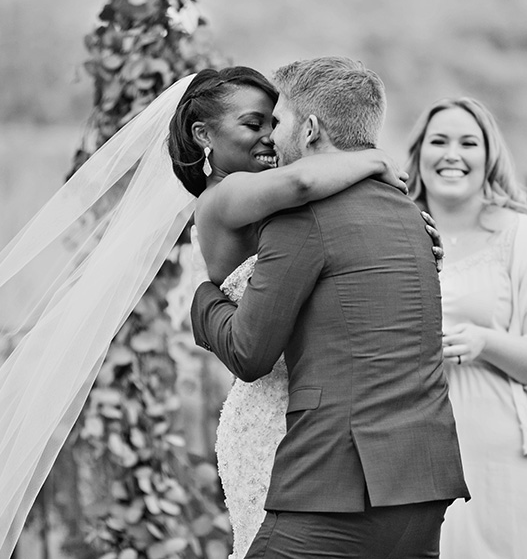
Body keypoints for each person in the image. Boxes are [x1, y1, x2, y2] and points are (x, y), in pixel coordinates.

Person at [0, 66, 434, 559]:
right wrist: (376, 164)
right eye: (254, 125)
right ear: (204, 136)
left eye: (271, 124)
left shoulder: (282, 202)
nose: (266, 139)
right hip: (275, 417)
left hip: (311, 418)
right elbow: (307, 178)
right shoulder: (226, 198)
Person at [190, 57, 470, 559]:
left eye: (278, 122)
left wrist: (202, 301)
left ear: (311, 128)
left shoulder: (298, 216)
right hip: (422, 479)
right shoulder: (411, 215)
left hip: (332, 481)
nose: (272, 137)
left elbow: (250, 353)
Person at [405, 96, 527, 559]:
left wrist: (485, 342)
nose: (453, 154)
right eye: (439, 141)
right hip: (412, 456)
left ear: (489, 157)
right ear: (418, 155)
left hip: (512, 462)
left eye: (468, 142)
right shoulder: (390, 234)